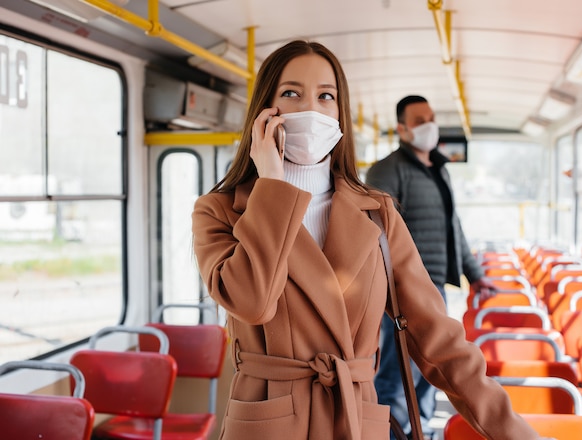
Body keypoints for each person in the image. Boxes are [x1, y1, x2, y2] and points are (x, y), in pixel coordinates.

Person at [191, 40, 542, 440]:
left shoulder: (377, 212)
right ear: (264, 113)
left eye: (326, 96)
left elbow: (438, 339)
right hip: (269, 424)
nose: (311, 108)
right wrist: (271, 183)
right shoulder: (220, 211)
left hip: (353, 418)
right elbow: (253, 302)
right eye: (291, 93)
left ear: (340, 113)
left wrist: (515, 432)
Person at [366, 95, 496, 439]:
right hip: (402, 289)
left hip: (434, 285)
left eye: (431, 117)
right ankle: (391, 433)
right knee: (398, 370)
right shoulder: (387, 170)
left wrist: (475, 274)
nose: (429, 125)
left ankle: (418, 432)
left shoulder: (439, 168)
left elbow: (453, 227)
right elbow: (375, 231)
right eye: (420, 119)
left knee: (430, 371)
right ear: (402, 128)